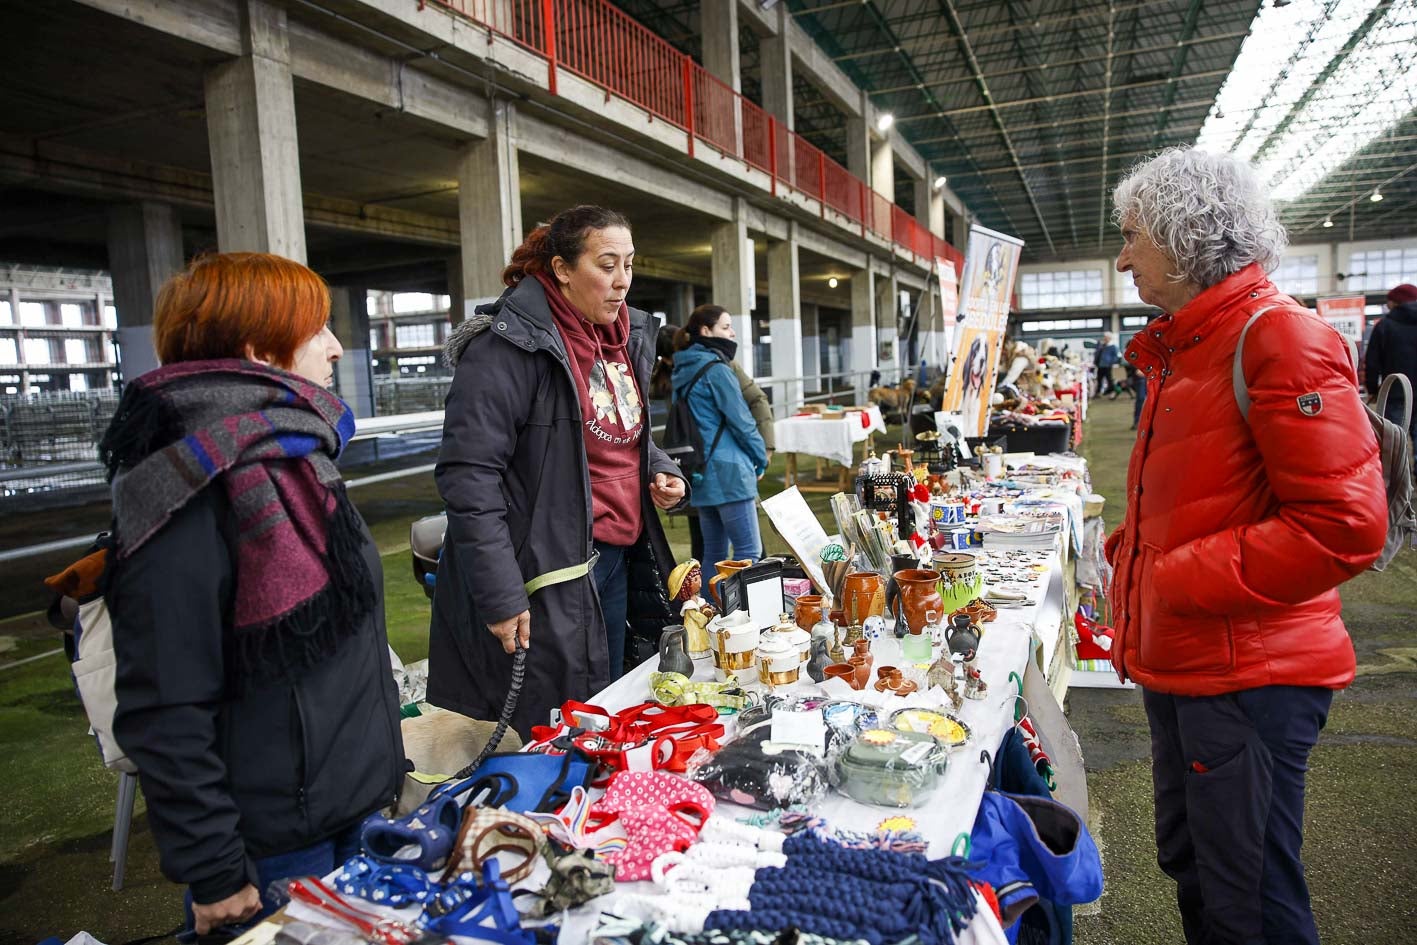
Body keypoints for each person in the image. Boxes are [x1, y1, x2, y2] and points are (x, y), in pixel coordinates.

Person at [1105, 148, 1387, 945]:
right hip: (1192, 658)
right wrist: (1136, 553)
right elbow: (1213, 491)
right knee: (1200, 869)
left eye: (1131, 236)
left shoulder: (1277, 338)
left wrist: (1177, 577)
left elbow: (1343, 524)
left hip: (1245, 671)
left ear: (1184, 234)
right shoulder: (1188, 346)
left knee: (1250, 899)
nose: (1122, 257)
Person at [102, 253, 405, 935]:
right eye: (316, 328)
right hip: (273, 844)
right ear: (254, 346)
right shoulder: (186, 486)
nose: (334, 346)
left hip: (352, 808)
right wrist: (213, 866)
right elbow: (165, 700)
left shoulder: (299, 453)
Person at [429, 206, 686, 731]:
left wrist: (659, 467)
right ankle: (552, 812)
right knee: (558, 724)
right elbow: (469, 475)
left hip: (617, 555)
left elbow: (622, 433)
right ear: (562, 269)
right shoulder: (504, 349)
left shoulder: (626, 338)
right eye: (607, 265)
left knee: (610, 702)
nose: (622, 283)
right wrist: (500, 593)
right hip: (546, 568)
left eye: (630, 265)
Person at [671, 304, 775, 564]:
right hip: (730, 473)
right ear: (706, 330)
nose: (732, 334)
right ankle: (743, 607)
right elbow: (741, 421)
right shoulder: (717, 370)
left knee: (713, 554)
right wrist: (761, 458)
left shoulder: (682, 370)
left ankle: (708, 605)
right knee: (748, 553)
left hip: (701, 472)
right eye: (726, 327)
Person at [1364, 283, 1417, 442]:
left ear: (1395, 302)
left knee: (1393, 443)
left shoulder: (1384, 326)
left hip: (1395, 392)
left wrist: (1373, 389)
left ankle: (1394, 468)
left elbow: (1372, 361)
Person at [1093, 331, 1120, 398]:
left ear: (1109, 338)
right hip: (1100, 365)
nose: (1104, 338)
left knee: (1109, 380)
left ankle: (1114, 392)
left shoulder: (1113, 346)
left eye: (1106, 337)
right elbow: (1097, 354)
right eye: (1104, 337)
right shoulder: (1102, 346)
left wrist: (1111, 362)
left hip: (1108, 366)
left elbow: (1116, 357)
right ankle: (1098, 393)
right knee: (1099, 379)